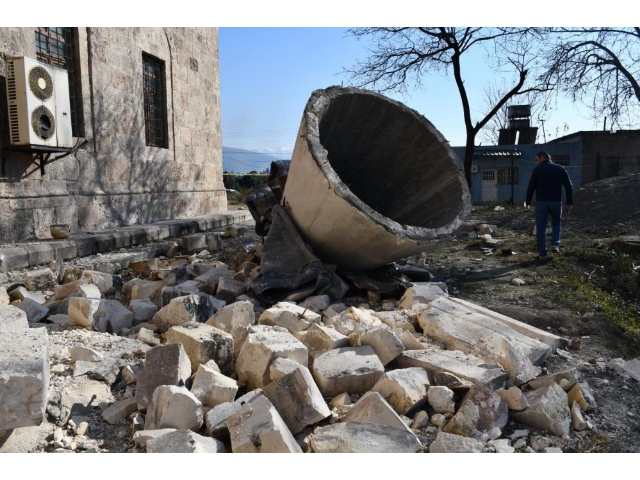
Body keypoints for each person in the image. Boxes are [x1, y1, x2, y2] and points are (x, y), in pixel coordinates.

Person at [525, 151, 573, 259]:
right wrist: (569, 202)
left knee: (541, 227)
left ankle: (542, 254)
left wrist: (528, 202)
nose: (536, 162)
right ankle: (555, 244)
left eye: (536, 160)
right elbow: (568, 186)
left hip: (541, 202)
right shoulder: (560, 169)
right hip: (556, 201)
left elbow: (531, 186)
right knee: (556, 223)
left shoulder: (538, 170)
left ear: (542, 158)